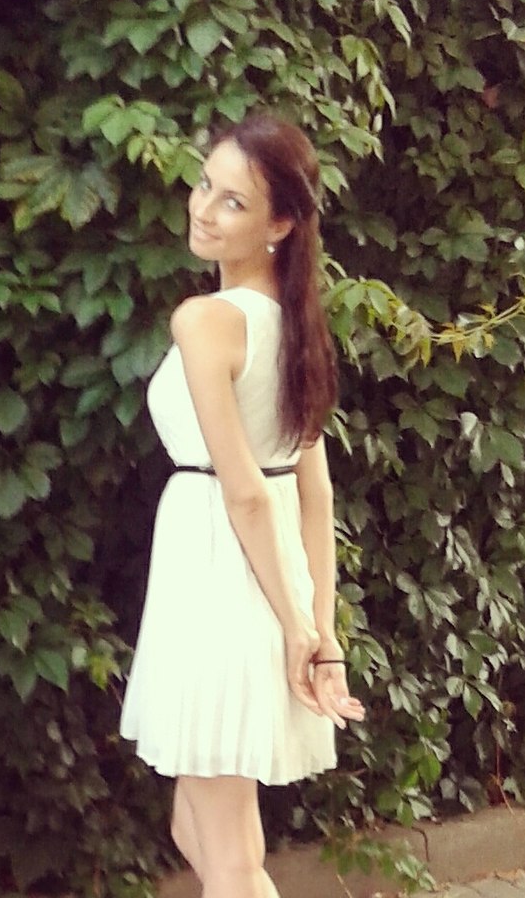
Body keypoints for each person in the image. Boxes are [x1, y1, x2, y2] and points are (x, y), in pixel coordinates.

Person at [119, 112, 366, 898]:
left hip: (220, 581)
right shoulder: (296, 327)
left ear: (280, 224)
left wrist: (304, 629)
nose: (203, 209)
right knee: (201, 831)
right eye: (204, 185)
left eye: (233, 201)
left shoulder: (206, 322)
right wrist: (316, 628)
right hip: (256, 582)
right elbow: (312, 494)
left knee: (224, 854)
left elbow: (250, 492)